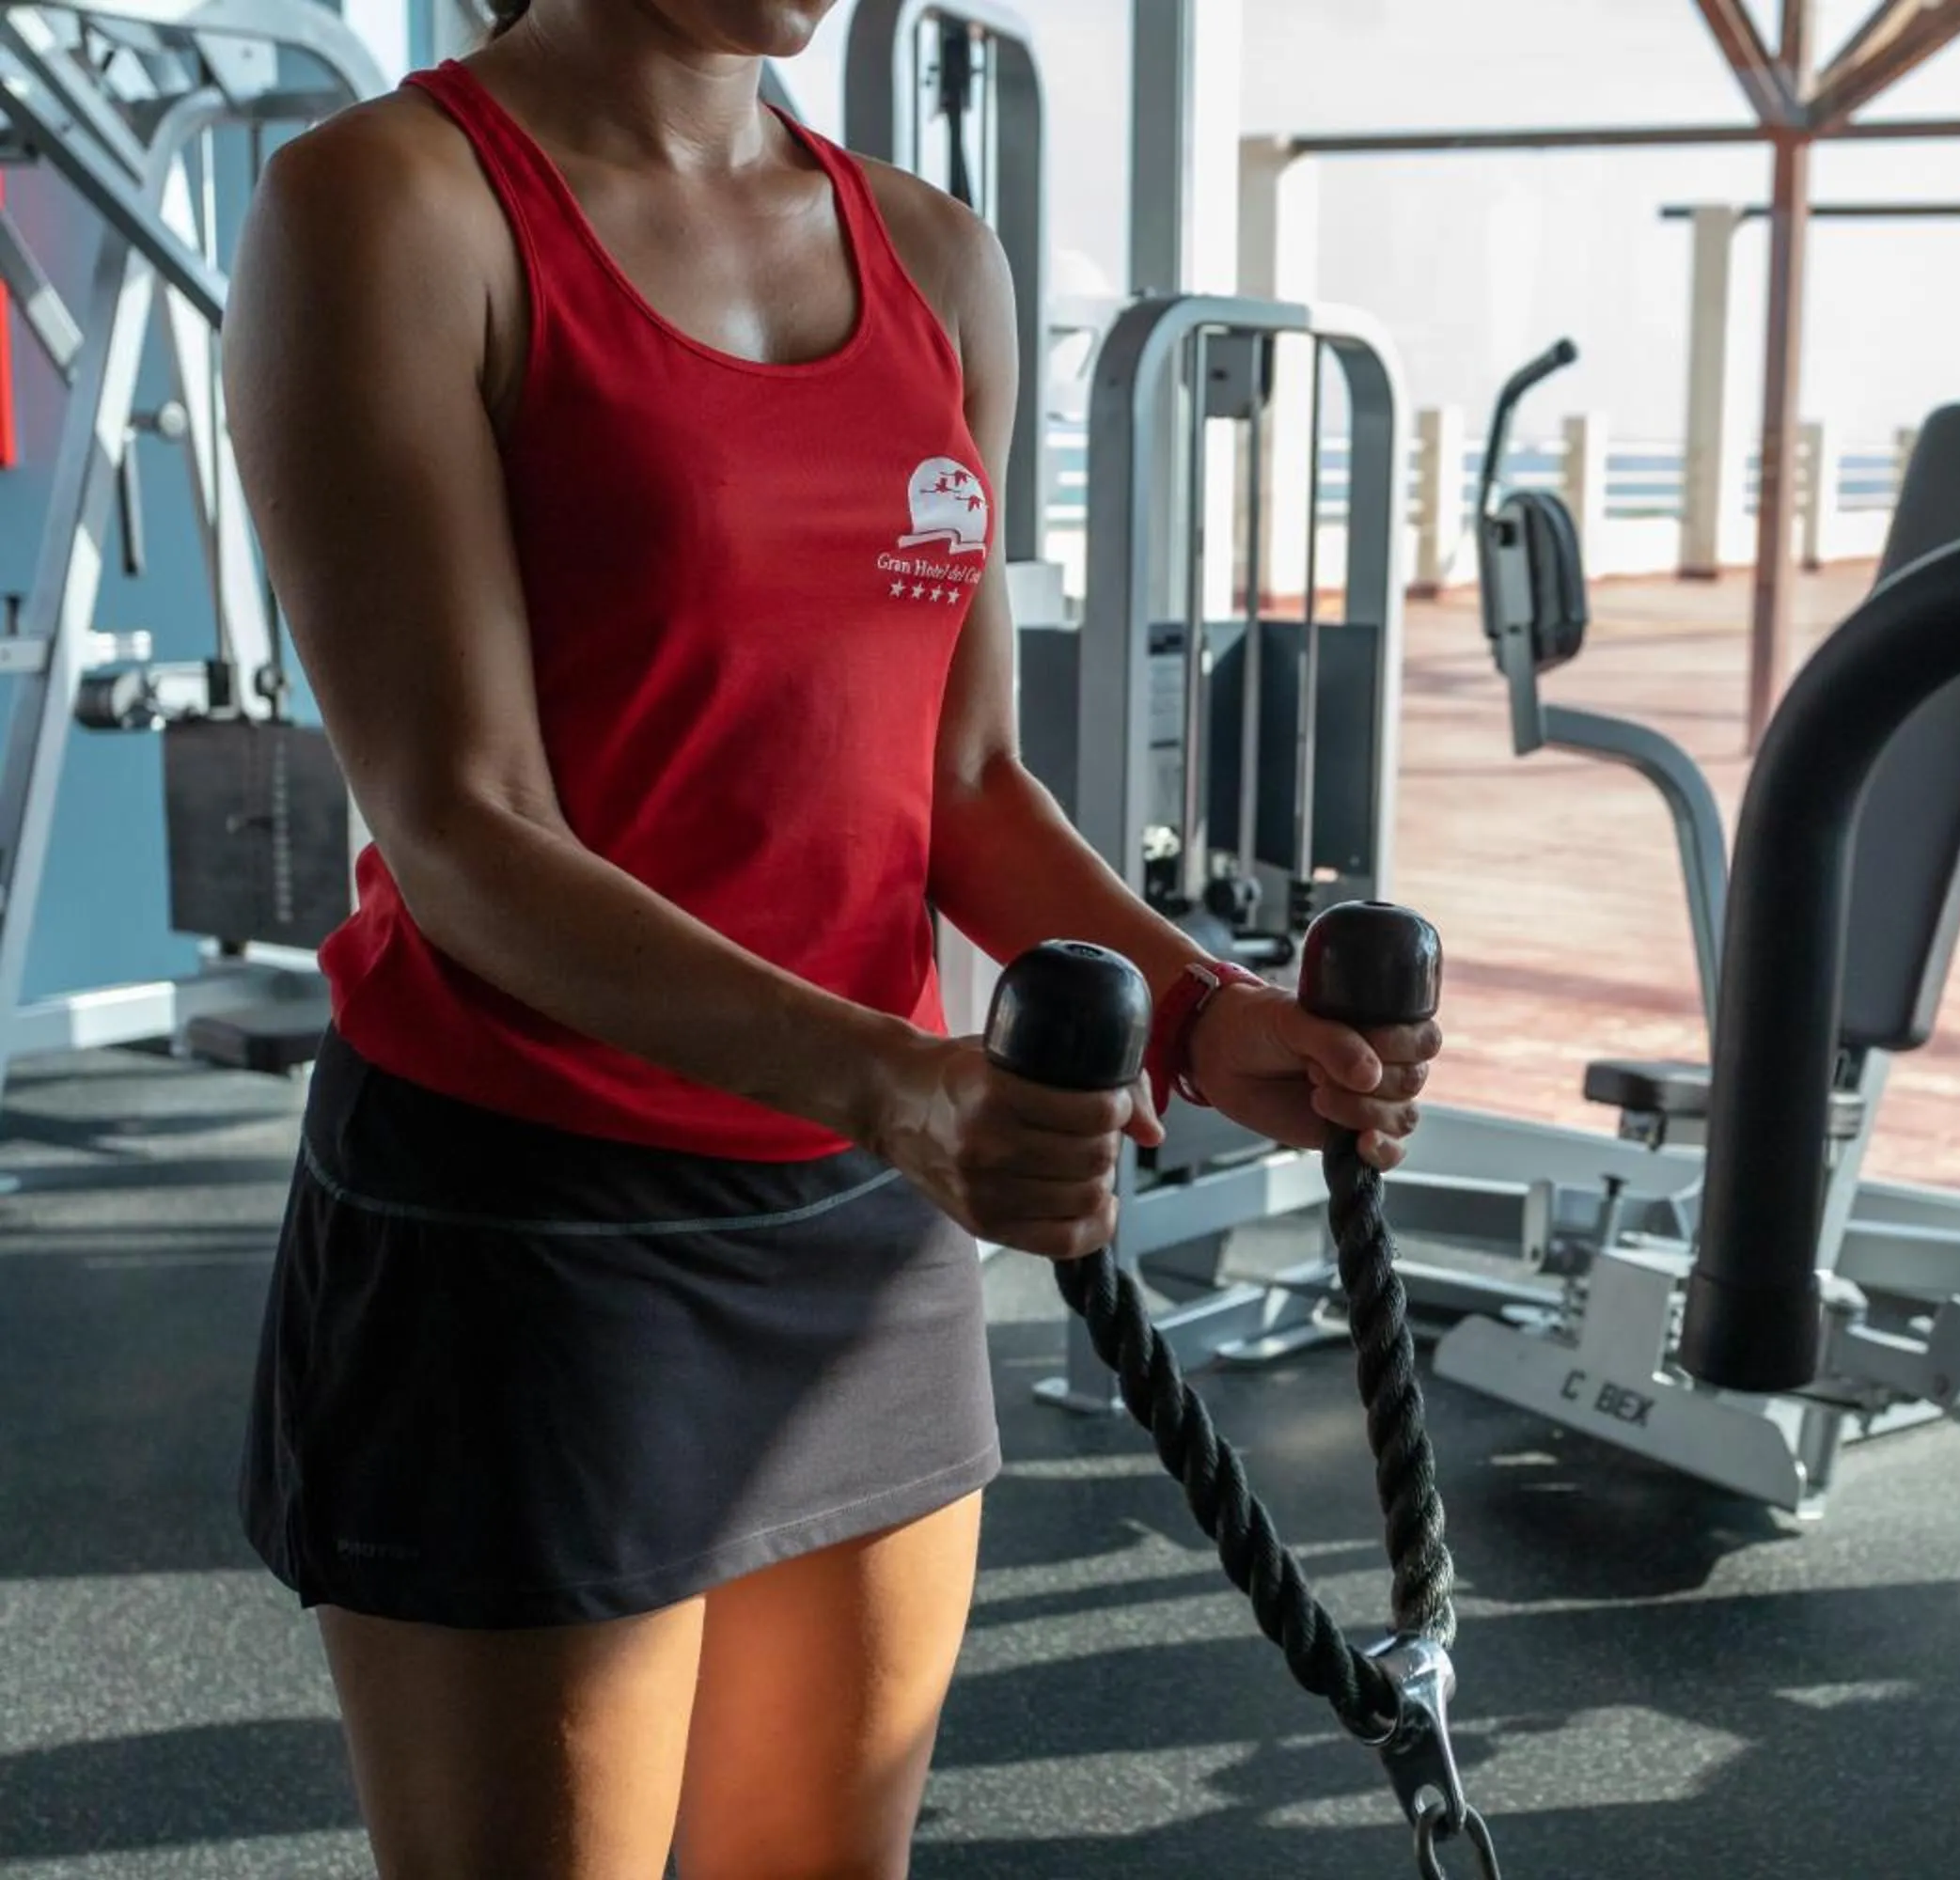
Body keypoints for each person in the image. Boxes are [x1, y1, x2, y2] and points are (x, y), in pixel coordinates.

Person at [220, 0, 1439, 1870]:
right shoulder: (394, 206)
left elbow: (963, 781)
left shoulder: (935, 255)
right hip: (536, 1229)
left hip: (867, 1221)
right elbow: (464, 823)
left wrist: (1204, 1018)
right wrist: (898, 1085)